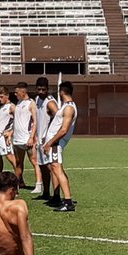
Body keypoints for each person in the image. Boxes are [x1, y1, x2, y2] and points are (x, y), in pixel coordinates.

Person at [41, 80, 78, 212]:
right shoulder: (66, 106)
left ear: (61, 92)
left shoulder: (69, 108)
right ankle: (63, 198)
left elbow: (64, 130)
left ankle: (68, 202)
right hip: (54, 143)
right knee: (56, 169)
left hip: (55, 144)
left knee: (57, 169)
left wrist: (49, 143)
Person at [32, 77, 58, 199]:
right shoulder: (37, 99)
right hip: (40, 139)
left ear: (48, 89)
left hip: (48, 140)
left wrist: (51, 136)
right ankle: (46, 193)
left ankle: (56, 196)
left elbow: (59, 117)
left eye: (43, 89)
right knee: (42, 167)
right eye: (39, 89)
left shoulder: (50, 102)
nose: (41, 92)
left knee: (52, 167)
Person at [10, 81, 37, 189]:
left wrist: (32, 137)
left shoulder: (31, 103)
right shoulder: (18, 103)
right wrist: (11, 133)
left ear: (23, 92)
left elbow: (35, 121)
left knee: (34, 162)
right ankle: (18, 184)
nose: (15, 94)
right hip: (17, 139)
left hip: (27, 139)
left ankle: (39, 184)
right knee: (18, 163)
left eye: (17, 92)